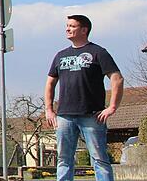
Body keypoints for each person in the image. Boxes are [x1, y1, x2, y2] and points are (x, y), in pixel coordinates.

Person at [44, 15, 123, 181]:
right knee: (64, 159)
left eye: (72, 26)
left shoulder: (98, 52)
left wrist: (112, 107)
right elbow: (50, 83)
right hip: (64, 116)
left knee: (99, 158)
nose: (67, 29)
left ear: (84, 30)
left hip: (92, 115)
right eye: (67, 25)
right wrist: (49, 110)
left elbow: (117, 78)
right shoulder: (60, 55)